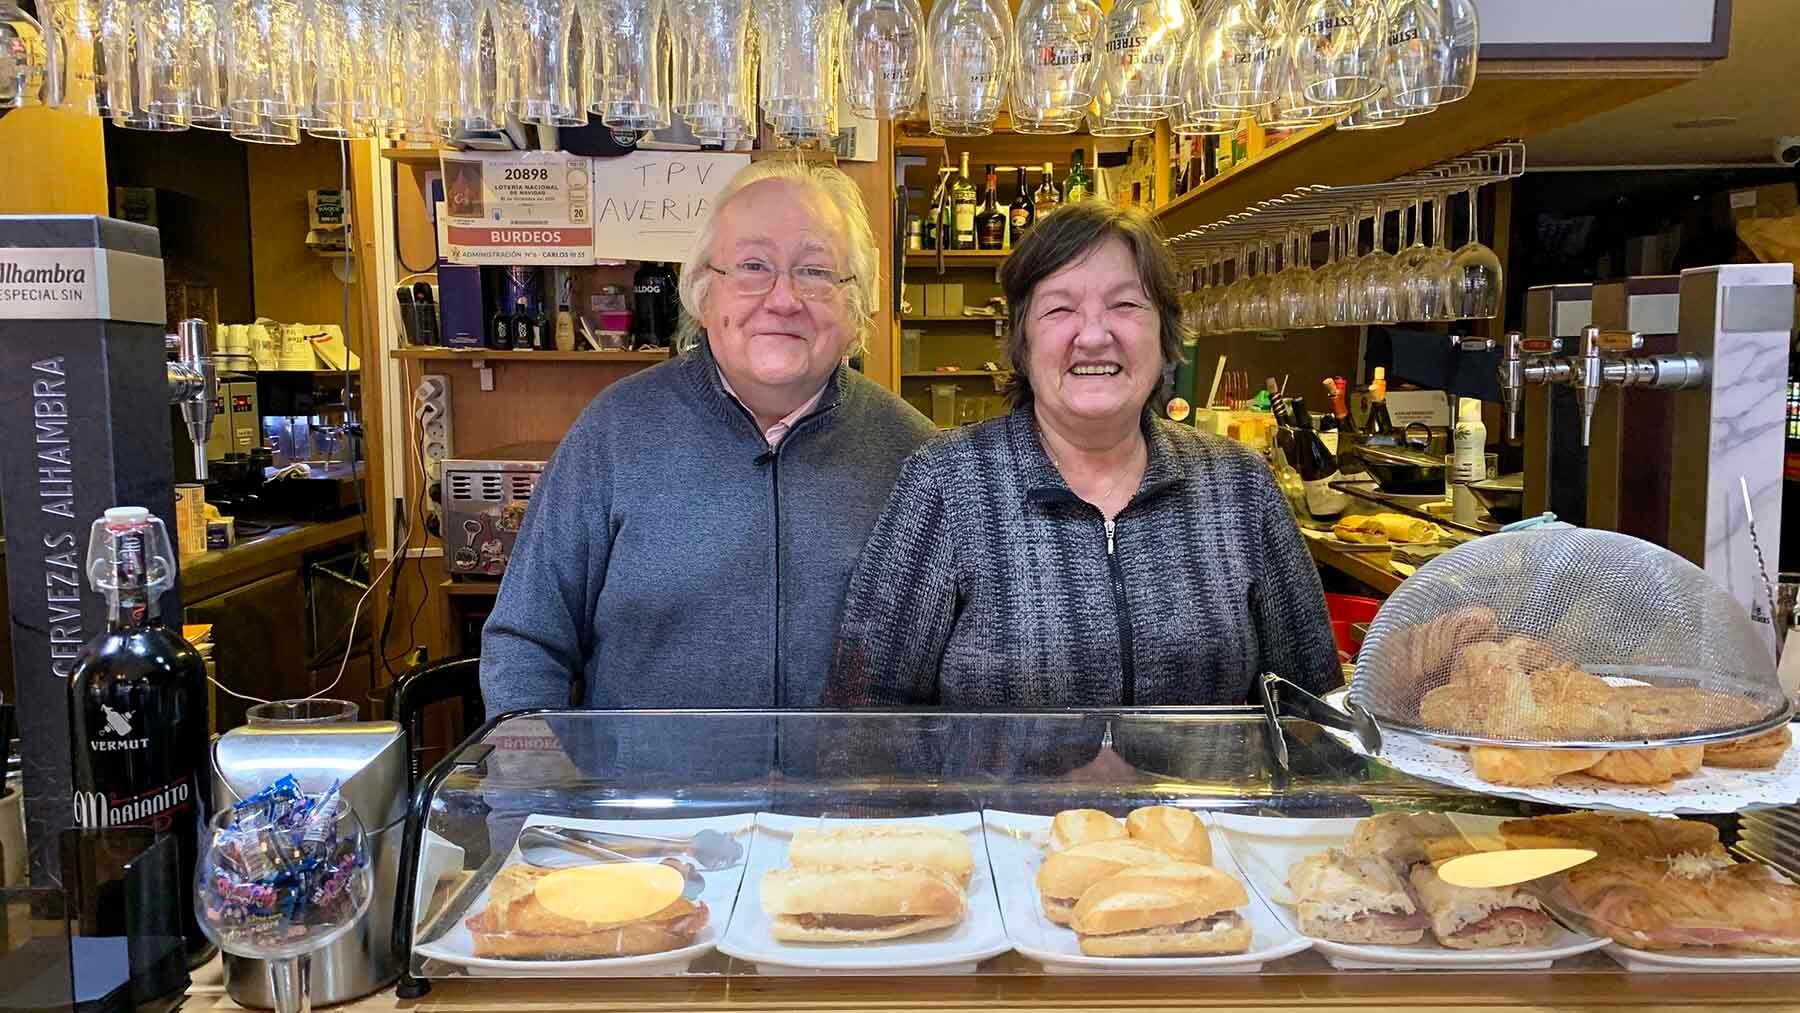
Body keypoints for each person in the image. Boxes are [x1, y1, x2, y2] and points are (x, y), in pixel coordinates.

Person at [827, 201, 1339, 711]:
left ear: (1164, 334)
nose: (1094, 336)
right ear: (1023, 343)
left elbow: (1314, 707)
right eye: (1060, 309)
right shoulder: (945, 481)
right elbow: (864, 712)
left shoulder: (1240, 485)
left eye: (1126, 305)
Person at [480, 160, 936, 718]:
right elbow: (526, 639)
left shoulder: (914, 455)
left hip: (848, 779)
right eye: (752, 266)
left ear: (856, 306)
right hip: (643, 778)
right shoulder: (615, 433)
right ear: (703, 292)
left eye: (815, 271)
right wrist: (538, 764)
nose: (784, 299)